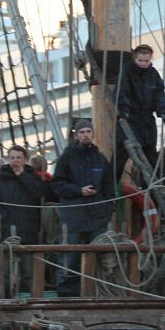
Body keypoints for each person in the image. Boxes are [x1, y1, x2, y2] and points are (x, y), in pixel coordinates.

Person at [52, 118, 115, 297]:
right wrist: (78, 190)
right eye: (82, 132)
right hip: (73, 217)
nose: (86, 135)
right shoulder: (67, 157)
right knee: (69, 256)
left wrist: (107, 211)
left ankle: (97, 292)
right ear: (76, 135)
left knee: (101, 257)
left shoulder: (101, 160)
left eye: (88, 131)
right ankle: (67, 294)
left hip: (97, 218)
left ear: (93, 134)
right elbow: (57, 184)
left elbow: (109, 189)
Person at [0, 145, 47, 294]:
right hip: (7, 229)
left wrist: (22, 175)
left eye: (19, 158)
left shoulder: (32, 176)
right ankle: (7, 299)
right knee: (7, 272)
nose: (15, 161)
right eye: (12, 157)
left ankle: (26, 297)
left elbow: (38, 193)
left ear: (25, 160)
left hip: (27, 228)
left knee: (27, 271)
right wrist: (4, 217)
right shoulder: (0, 179)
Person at [114, 44, 165, 181]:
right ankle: (109, 190)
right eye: (140, 60)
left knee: (151, 157)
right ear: (135, 59)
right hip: (129, 120)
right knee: (119, 158)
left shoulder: (153, 75)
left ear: (150, 60)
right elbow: (122, 92)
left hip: (146, 123)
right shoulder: (126, 72)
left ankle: (158, 190)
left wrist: (162, 112)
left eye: (146, 61)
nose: (144, 63)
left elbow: (159, 95)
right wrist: (124, 110)